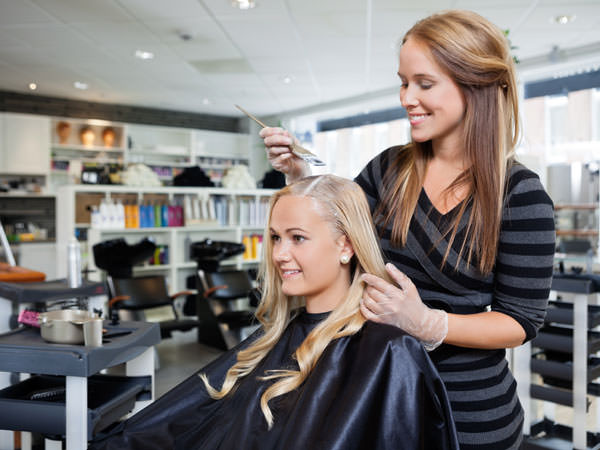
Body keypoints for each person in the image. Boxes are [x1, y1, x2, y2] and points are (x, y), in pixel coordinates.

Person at [260, 10, 555, 450]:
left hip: (471, 417)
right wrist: (302, 177)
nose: (406, 97)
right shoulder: (387, 171)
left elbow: (520, 321)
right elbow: (336, 233)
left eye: (424, 83)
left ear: (475, 84)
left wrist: (429, 324)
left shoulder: (520, 194)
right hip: (379, 402)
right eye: (403, 82)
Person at [90, 174, 459, 450]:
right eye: (275, 237)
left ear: (345, 246)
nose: (280, 254)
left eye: (297, 238)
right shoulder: (273, 340)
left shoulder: (388, 352)